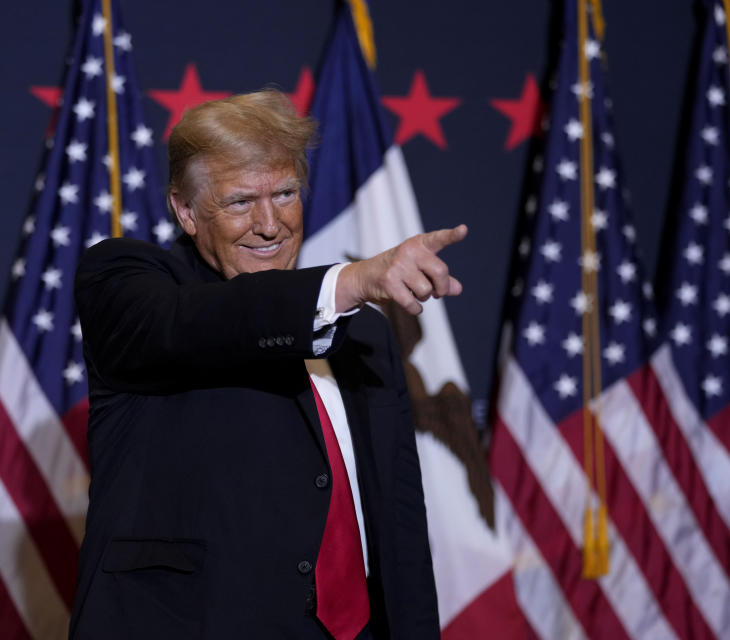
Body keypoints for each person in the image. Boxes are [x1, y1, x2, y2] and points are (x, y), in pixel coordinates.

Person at [69, 89, 467, 639]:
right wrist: (348, 281)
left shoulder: (366, 333)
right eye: (239, 202)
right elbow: (202, 323)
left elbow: (399, 524)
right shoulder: (128, 284)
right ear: (185, 210)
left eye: (285, 193)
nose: (269, 223)